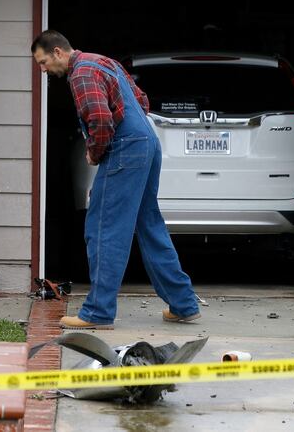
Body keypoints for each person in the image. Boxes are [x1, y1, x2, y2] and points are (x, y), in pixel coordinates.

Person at [31, 30, 200, 329]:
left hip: (127, 148)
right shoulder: (103, 62)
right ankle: (183, 304)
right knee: (148, 224)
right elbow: (141, 100)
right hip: (148, 141)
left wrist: (95, 152)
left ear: (58, 52)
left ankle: (98, 312)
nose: (43, 70)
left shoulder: (80, 73)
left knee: (103, 227)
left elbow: (100, 118)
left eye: (43, 62)